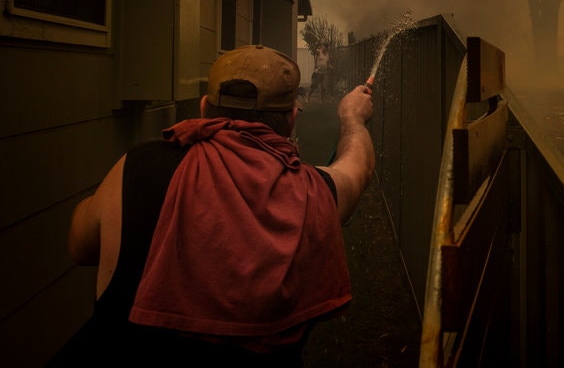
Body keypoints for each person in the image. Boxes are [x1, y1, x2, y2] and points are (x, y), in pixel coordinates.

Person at [49, 45, 375, 366]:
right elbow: (356, 165)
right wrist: (352, 117)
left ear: (204, 108)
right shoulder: (314, 191)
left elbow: (80, 245)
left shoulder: (138, 167)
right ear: (290, 120)